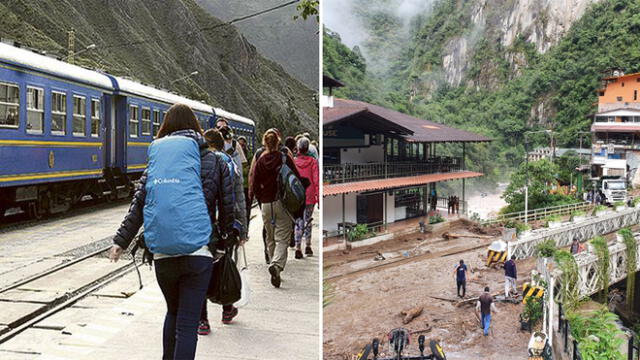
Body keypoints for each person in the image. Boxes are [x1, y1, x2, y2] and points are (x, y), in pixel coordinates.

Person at [109, 104, 234, 360]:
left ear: (165, 127)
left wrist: (121, 241)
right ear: (196, 129)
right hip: (199, 251)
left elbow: (139, 204)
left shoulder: (158, 160)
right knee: (188, 325)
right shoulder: (213, 159)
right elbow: (227, 206)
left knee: (172, 313)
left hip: (164, 253)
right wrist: (225, 241)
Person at [199, 128, 247, 335]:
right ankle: (227, 309)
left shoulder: (198, 162)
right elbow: (239, 197)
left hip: (203, 225)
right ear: (222, 144)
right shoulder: (229, 163)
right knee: (225, 266)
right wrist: (242, 228)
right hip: (226, 225)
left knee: (200, 271)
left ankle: (202, 321)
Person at [250, 129, 302, 288]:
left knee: (270, 237)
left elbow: (254, 181)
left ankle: (273, 264)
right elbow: (296, 179)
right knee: (282, 238)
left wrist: (260, 199)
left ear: (265, 143)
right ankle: (276, 265)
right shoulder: (284, 158)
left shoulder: (260, 160)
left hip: (266, 204)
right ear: (278, 141)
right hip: (282, 203)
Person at [293, 137, 318, 259]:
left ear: (298, 148)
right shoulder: (313, 162)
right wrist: (318, 197)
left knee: (298, 221)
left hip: (297, 196)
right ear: (308, 148)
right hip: (309, 196)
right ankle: (308, 245)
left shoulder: (294, 161)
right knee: (308, 221)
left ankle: (298, 247)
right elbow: (316, 180)